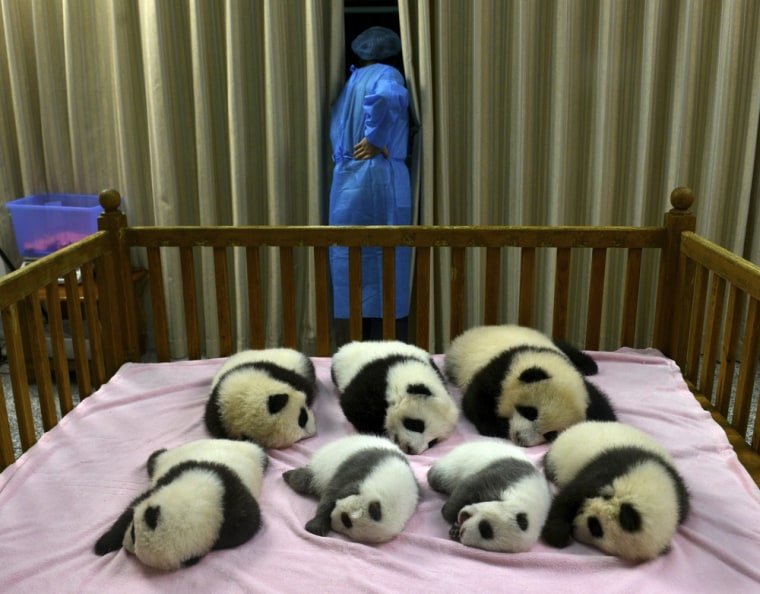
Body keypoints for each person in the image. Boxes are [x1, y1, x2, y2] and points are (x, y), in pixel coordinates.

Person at [328, 26, 411, 341]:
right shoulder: (388, 74)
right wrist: (377, 138)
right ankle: (384, 344)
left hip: (347, 178)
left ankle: (356, 344)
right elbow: (390, 97)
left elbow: (336, 124)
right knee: (385, 258)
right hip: (378, 178)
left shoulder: (352, 81)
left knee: (353, 258)